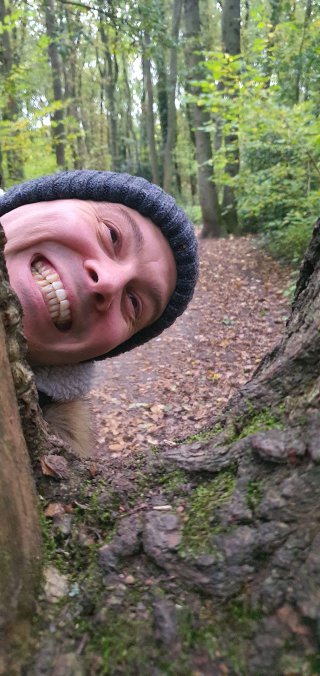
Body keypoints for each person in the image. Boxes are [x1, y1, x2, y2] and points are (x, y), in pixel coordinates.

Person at [0, 170, 199, 455]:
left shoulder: (47, 468)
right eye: (111, 234)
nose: (109, 281)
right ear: (35, 201)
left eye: (133, 303)